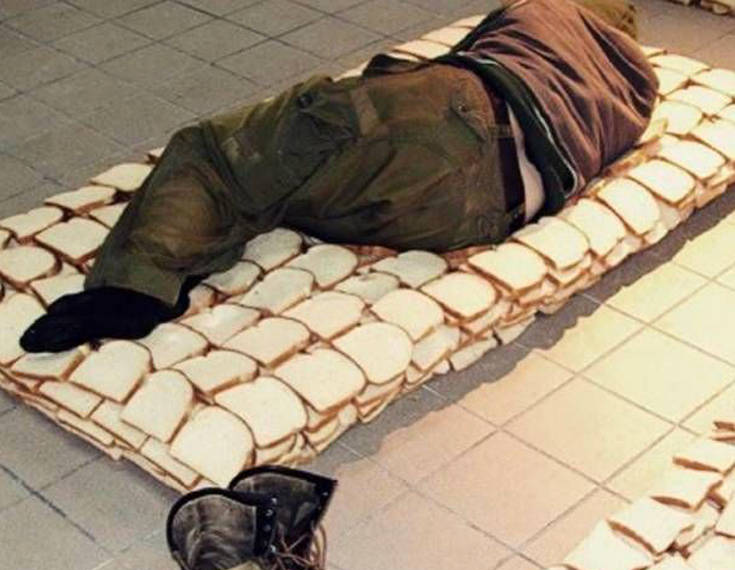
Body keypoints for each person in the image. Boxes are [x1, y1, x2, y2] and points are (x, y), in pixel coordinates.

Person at [21, 0, 657, 354]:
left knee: (220, 152)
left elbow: (455, 64)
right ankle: (207, 235)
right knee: (288, 185)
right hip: (479, 215)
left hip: (457, 124)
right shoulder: (643, 87)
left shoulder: (546, 9)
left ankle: (136, 288)